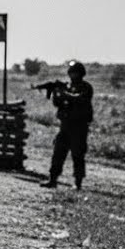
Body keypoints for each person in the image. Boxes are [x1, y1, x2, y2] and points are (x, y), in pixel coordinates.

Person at [42, 60, 94, 190]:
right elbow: (58, 104)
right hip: (65, 125)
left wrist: (64, 93)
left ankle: (78, 182)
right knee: (58, 153)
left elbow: (79, 98)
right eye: (71, 73)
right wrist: (55, 93)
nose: (73, 75)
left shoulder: (86, 87)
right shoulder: (67, 86)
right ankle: (53, 179)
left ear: (81, 74)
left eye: (75, 73)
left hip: (79, 127)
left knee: (78, 155)